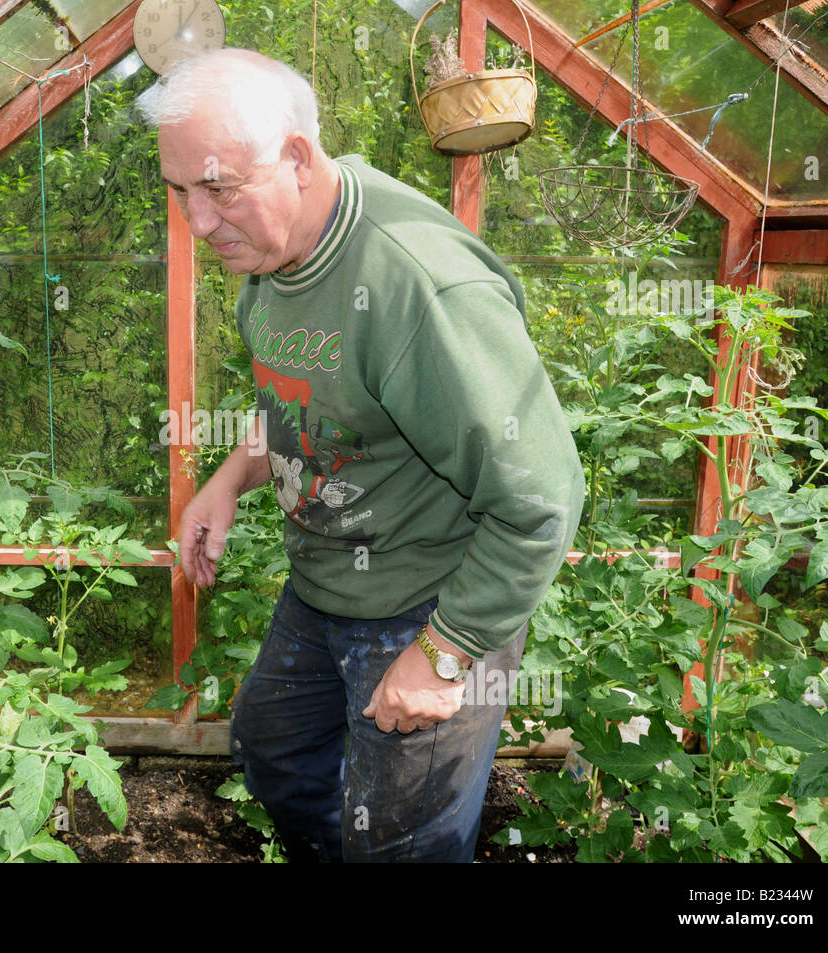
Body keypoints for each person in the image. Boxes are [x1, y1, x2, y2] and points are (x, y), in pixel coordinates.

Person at [136, 48, 584, 862]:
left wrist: (443, 655)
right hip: (325, 582)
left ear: (298, 159)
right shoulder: (269, 252)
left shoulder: (422, 287)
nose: (198, 224)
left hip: (434, 596)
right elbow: (301, 396)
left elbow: (542, 497)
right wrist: (229, 478)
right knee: (271, 749)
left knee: (407, 840)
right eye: (180, 191)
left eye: (218, 188)